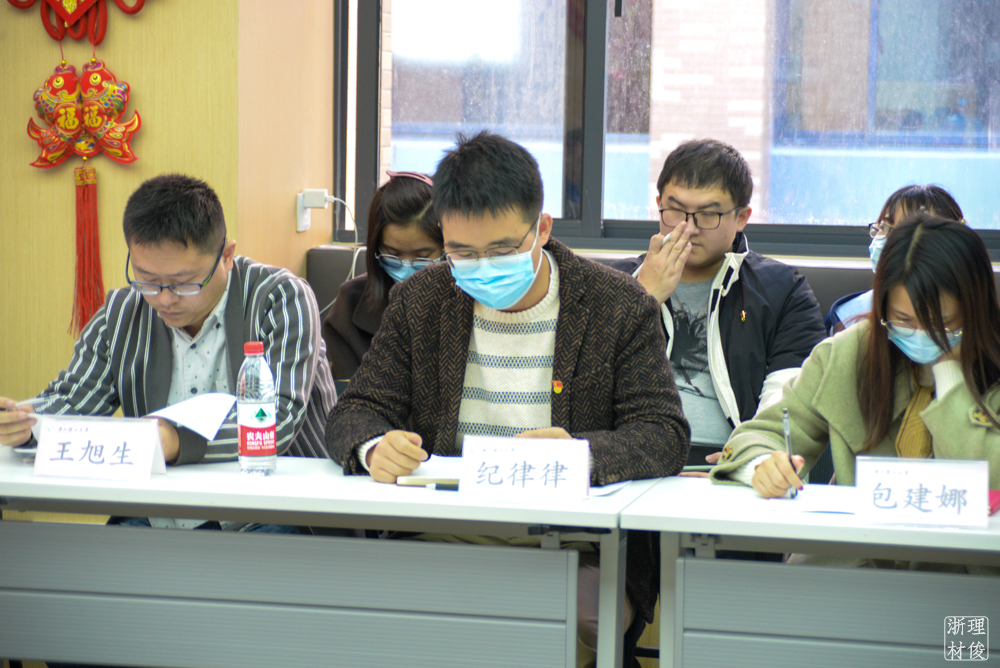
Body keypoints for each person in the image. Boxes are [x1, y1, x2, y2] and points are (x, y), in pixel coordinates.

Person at [326, 131, 690, 661]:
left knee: (561, 620)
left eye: (501, 250)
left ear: (541, 228)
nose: (483, 267)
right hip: (442, 530)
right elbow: (356, 410)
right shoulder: (420, 301)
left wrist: (578, 454)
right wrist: (374, 447)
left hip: (575, 539)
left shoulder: (616, 304)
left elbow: (663, 433)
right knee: (354, 609)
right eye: (462, 252)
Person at [0, 173, 336, 467]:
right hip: (162, 503)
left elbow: (278, 417)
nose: (164, 299)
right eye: (147, 280)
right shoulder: (122, 314)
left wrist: (176, 440)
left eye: (183, 283)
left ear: (227, 256)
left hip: (277, 500)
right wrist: (24, 423)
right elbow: (75, 401)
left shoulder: (280, 298)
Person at [711, 213, 1000, 502]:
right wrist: (762, 466)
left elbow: (991, 479)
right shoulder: (849, 353)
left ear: (975, 309)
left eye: (941, 323)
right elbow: (759, 436)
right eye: (903, 320)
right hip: (857, 529)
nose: (921, 334)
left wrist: (949, 369)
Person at [609, 138, 826, 463]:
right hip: (627, 458)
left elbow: (791, 402)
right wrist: (642, 299)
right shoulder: (613, 283)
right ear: (658, 205)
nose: (688, 228)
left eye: (708, 214)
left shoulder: (784, 291)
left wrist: (745, 461)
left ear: (741, 217)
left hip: (730, 462)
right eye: (675, 211)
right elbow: (583, 386)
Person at [323, 170, 443, 379]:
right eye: (393, 255)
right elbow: (350, 393)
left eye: (422, 257)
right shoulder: (349, 305)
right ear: (375, 247)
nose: (406, 269)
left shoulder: (468, 299)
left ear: (446, 248)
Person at [826, 184, 965, 334]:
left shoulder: (968, 313)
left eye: (906, 231)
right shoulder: (846, 319)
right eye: (883, 227)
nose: (887, 240)